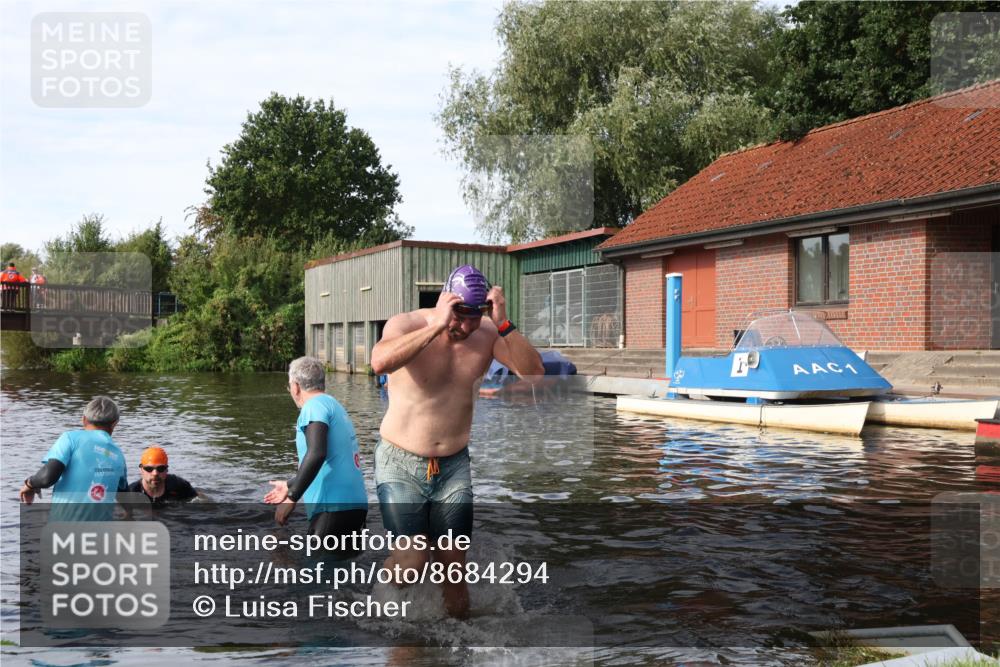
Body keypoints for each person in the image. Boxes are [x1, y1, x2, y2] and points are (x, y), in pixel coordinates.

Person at [369, 264, 543, 617]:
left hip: (452, 467)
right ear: (445, 301)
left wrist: (503, 321)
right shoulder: (407, 324)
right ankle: (380, 600)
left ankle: (455, 644)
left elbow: (535, 374)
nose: (464, 327)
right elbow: (379, 362)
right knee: (415, 558)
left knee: (454, 575)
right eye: (459, 315)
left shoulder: (489, 334)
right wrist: (435, 327)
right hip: (400, 461)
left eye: (474, 317)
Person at [264, 356, 367, 557]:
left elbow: (317, 453)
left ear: (295, 387)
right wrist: (290, 483)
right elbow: (331, 459)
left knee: (317, 580)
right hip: (355, 505)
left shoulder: (313, 407)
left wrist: (292, 498)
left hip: (333, 507)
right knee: (343, 579)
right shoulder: (334, 405)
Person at [18, 396, 128, 521]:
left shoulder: (70, 439)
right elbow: (125, 497)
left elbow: (46, 478)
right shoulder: (119, 455)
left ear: (84, 419)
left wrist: (30, 484)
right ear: (115, 423)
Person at [125, 446, 198, 508]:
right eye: (149, 469)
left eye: (160, 468)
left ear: (166, 470)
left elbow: (199, 499)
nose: (155, 473)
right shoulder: (131, 493)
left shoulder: (178, 484)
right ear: (141, 470)